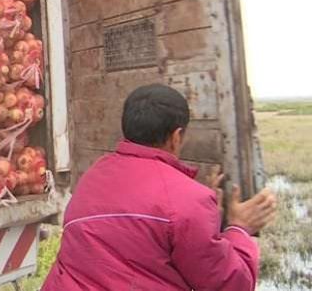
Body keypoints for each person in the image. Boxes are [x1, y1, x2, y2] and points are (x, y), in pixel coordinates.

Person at [42, 84, 278, 291]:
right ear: (176, 136)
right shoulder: (186, 201)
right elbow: (231, 284)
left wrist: (203, 212)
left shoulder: (93, 176)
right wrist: (239, 229)